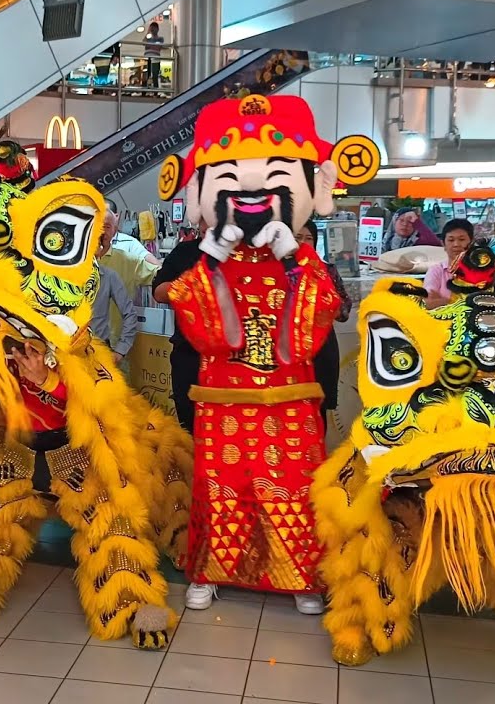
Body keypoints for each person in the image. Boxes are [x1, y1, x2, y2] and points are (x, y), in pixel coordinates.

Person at [158, 94, 343, 615]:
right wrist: (211, 261)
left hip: (290, 399)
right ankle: (210, 571)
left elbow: (323, 311)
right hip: (223, 398)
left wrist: (293, 259)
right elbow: (192, 316)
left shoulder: (302, 259)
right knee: (221, 489)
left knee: (294, 489)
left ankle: (301, 577)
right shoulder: (209, 259)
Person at [296, 223, 352, 419]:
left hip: (322, 348)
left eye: (308, 238)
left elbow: (344, 310)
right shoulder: (279, 270)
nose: (303, 243)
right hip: (292, 348)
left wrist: (327, 305)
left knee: (320, 410)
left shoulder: (327, 270)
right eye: (297, 238)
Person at [153, 230, 202, 432]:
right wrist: (191, 285)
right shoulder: (185, 252)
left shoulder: (243, 253)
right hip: (188, 355)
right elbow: (158, 292)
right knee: (188, 424)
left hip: (232, 362)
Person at [90, 216, 138, 363]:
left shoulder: (109, 276)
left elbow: (130, 314)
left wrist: (120, 351)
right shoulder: (62, 278)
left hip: (100, 351)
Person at [424, 218, 474, 308]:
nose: (456, 244)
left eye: (461, 239)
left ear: (471, 243)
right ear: (443, 244)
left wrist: (443, 301)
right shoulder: (436, 270)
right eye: (451, 240)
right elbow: (427, 303)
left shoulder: (482, 270)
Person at [143, 22, 164, 89]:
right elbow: (144, 43)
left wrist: (149, 45)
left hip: (156, 59)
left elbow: (158, 47)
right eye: (151, 28)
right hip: (147, 58)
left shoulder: (160, 38)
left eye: (153, 28)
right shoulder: (148, 38)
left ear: (157, 29)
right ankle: (145, 91)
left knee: (155, 75)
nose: (152, 30)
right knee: (146, 75)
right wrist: (148, 33)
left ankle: (155, 92)